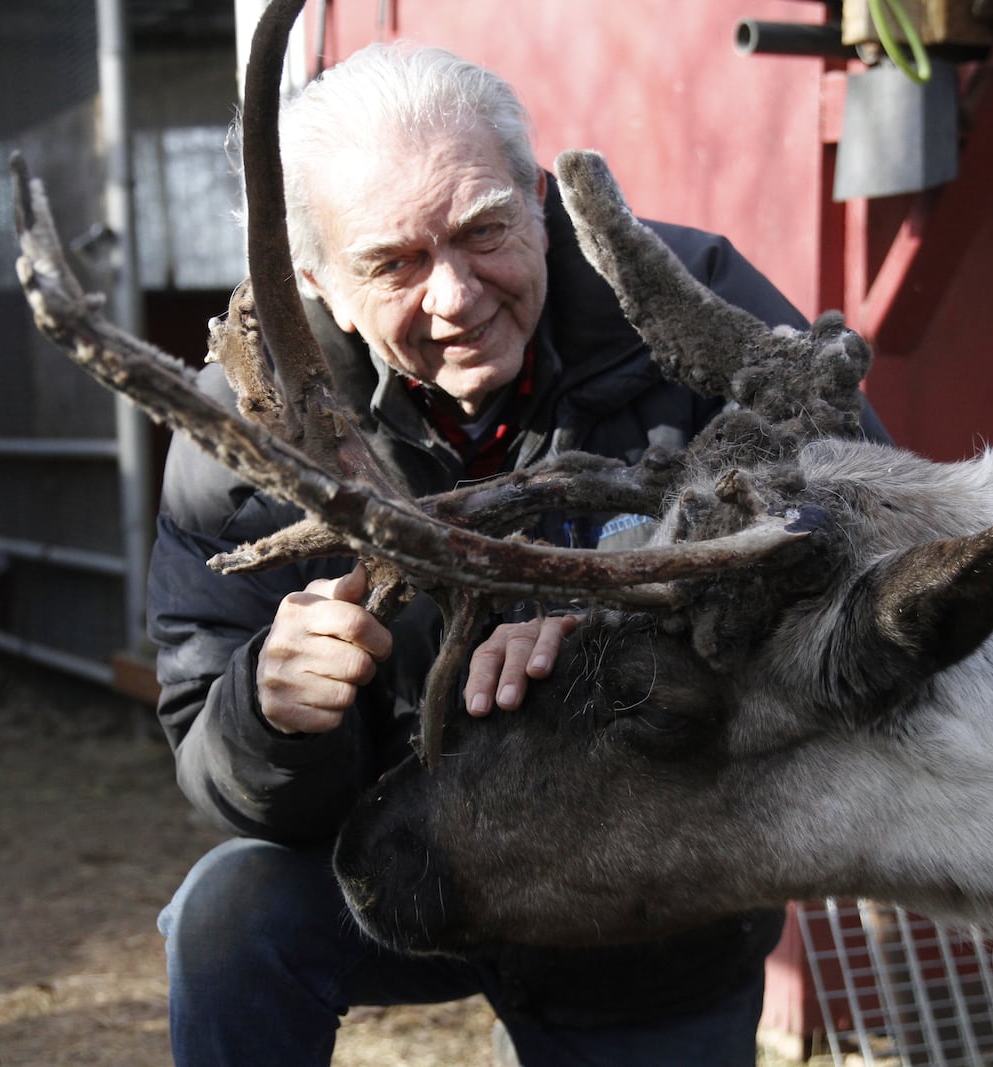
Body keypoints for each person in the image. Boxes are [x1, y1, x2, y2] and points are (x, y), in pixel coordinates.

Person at [148, 41, 884, 1067]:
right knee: (230, 913)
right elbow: (211, 755)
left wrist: (633, 625)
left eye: (484, 230)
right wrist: (271, 713)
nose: (453, 295)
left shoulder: (691, 305)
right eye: (394, 263)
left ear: (539, 201)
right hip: (395, 851)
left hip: (641, 891)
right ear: (320, 279)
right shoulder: (252, 424)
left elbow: (864, 538)